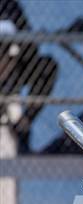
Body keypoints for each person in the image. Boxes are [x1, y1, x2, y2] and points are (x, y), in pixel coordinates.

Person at [0, 0, 58, 152]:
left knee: (47, 66)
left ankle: (23, 127)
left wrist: (12, 58)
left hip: (14, 73)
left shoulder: (10, 6)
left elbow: (30, 48)